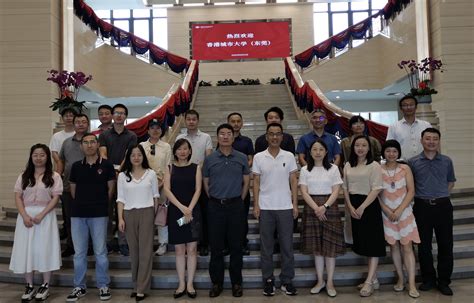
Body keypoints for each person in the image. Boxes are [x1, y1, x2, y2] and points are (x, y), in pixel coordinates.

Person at [10, 144, 63, 302]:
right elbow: (18, 197)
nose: (39, 158)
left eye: (42, 155)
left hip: (45, 216)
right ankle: (29, 285)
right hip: (26, 218)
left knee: (44, 249)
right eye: (35, 155)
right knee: (27, 250)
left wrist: (42, 214)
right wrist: (24, 215)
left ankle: (45, 285)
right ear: (31, 157)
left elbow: (55, 197)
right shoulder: (23, 176)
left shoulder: (54, 176)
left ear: (47, 157)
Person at [203, 123, 250, 298]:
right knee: (216, 247)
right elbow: (206, 183)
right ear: (217, 137)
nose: (225, 136)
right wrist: (215, 198)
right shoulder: (210, 159)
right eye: (221, 134)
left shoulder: (242, 157)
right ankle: (217, 283)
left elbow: (246, 182)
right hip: (215, 207)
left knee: (236, 246)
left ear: (233, 136)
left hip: (236, 206)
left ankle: (236, 283)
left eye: (228, 133)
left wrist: (240, 198)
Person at [67, 133, 115, 302]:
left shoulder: (107, 165)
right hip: (78, 214)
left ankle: (103, 285)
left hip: (99, 214)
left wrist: (98, 203)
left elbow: (110, 190)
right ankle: (79, 287)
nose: (89, 145)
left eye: (92, 142)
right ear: (81, 146)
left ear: (97, 145)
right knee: (79, 253)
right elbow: (73, 190)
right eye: (85, 142)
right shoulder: (76, 166)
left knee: (100, 251)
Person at [408, 128, 456, 296]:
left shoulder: (447, 161)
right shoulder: (412, 162)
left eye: (435, 139)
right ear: (422, 141)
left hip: (443, 206)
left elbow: (451, 182)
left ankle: (444, 281)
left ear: (439, 141)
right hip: (422, 207)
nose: (431, 141)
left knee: (446, 245)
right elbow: (409, 185)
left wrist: (439, 194)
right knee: (424, 246)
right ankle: (428, 279)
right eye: (428, 138)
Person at [253, 123, 298, 297]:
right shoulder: (258, 157)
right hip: (265, 207)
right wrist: (256, 205)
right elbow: (255, 182)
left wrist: (294, 203)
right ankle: (269, 280)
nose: (274, 137)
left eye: (278, 134)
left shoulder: (289, 156)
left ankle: (287, 280)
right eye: (271, 134)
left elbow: (293, 180)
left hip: (285, 207)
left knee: (287, 246)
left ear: (282, 136)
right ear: (266, 137)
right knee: (267, 247)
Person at [299, 140, 344, 298]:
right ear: (310, 152)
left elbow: (336, 190)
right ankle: (320, 281)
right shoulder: (305, 170)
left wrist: (324, 207)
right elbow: (304, 192)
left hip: (329, 207)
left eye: (321, 149)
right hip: (312, 208)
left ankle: (330, 282)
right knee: (317, 248)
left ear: (326, 152)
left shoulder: (333, 169)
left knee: (330, 248)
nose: (317, 152)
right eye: (314, 149)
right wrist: (316, 208)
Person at [342, 135, 384, 297]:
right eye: (357, 145)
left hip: (369, 205)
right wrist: (351, 206)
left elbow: (377, 188)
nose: (360, 148)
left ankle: (369, 283)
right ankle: (373, 279)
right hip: (353, 204)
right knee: (364, 243)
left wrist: (362, 207)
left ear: (369, 148)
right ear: (353, 148)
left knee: (372, 244)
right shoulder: (347, 165)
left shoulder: (374, 165)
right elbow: (345, 188)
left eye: (364, 145)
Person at [117, 145, 159, 301]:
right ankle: (135, 285)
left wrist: (153, 217)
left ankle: (142, 287)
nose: (136, 157)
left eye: (139, 155)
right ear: (128, 158)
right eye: (133, 155)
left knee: (146, 252)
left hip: (147, 212)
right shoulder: (122, 175)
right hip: (128, 214)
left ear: (143, 156)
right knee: (134, 252)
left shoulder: (151, 174)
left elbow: (155, 196)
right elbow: (120, 199)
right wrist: (121, 218)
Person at [379, 140, 420, 298]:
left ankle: (411, 284)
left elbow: (411, 191)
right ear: (384, 152)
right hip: (386, 213)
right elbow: (376, 193)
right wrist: (388, 211)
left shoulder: (405, 168)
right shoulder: (378, 169)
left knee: (407, 247)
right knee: (394, 247)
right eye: (388, 151)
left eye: (394, 151)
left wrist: (400, 210)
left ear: (398, 153)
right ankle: (400, 280)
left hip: (404, 212)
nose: (391, 154)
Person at [163, 138, 202, 299]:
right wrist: (182, 208)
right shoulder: (169, 167)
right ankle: (181, 284)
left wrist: (189, 209)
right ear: (175, 151)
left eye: (185, 149)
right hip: (176, 212)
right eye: (179, 149)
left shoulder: (196, 167)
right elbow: (167, 189)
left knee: (192, 249)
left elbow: (198, 189)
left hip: (193, 212)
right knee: (179, 250)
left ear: (190, 151)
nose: (182, 151)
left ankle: (190, 284)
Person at [99, 103, 137, 256]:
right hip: (107, 177)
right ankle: (107, 242)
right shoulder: (104, 135)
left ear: (125, 116)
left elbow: (129, 155)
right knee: (107, 210)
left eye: (122, 113)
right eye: (116, 113)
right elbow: (103, 154)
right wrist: (111, 171)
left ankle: (123, 242)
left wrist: (119, 171)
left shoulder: (132, 136)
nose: (119, 115)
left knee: (123, 211)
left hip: (125, 176)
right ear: (113, 116)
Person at [339, 115, 381, 246]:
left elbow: (378, 157)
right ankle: (351, 239)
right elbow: (341, 159)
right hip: (351, 174)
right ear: (350, 126)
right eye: (355, 123)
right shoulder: (345, 141)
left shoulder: (373, 141)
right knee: (350, 212)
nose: (358, 125)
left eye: (361, 123)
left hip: (369, 177)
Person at [176, 109, 212, 256]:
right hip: (184, 180)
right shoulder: (180, 136)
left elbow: (208, 158)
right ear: (185, 120)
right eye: (188, 119)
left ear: (198, 120)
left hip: (201, 180)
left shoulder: (206, 137)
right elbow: (177, 156)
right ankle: (186, 241)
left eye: (194, 119)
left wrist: (196, 171)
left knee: (202, 213)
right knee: (185, 212)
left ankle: (203, 243)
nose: (191, 121)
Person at [58, 113, 90, 258]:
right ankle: (71, 245)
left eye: (84, 122)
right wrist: (56, 178)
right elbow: (61, 162)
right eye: (78, 122)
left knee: (88, 219)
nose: (81, 124)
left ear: (88, 124)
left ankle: (88, 246)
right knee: (70, 219)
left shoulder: (92, 141)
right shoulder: (66, 143)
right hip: (67, 187)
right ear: (74, 124)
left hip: (89, 188)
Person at [140, 119, 172, 256]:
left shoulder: (166, 146)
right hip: (143, 186)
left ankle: (163, 243)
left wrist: (162, 184)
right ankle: (146, 243)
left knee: (161, 215)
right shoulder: (141, 145)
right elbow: (138, 165)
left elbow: (168, 167)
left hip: (161, 184)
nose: (155, 130)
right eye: (152, 127)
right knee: (145, 216)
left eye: (158, 128)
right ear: (147, 130)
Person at [227, 112, 254, 255]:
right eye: (233, 121)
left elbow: (250, 159)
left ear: (242, 123)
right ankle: (227, 244)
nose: (235, 124)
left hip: (242, 184)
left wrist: (241, 166)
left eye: (238, 121)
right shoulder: (223, 139)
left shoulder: (247, 141)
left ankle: (243, 243)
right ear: (228, 122)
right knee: (227, 218)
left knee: (242, 218)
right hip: (227, 186)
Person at [49, 108, 75, 240]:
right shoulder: (57, 136)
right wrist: (61, 167)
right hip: (63, 173)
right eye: (66, 115)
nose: (69, 118)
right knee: (66, 206)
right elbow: (54, 153)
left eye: (71, 115)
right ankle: (66, 229)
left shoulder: (79, 134)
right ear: (62, 118)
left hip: (77, 175)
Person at [386, 95, 431, 160]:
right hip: (402, 164)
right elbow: (389, 146)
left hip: (424, 163)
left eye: (411, 105)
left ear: (416, 107)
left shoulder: (426, 125)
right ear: (401, 108)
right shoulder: (394, 126)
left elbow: (432, 144)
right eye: (405, 105)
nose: (408, 107)